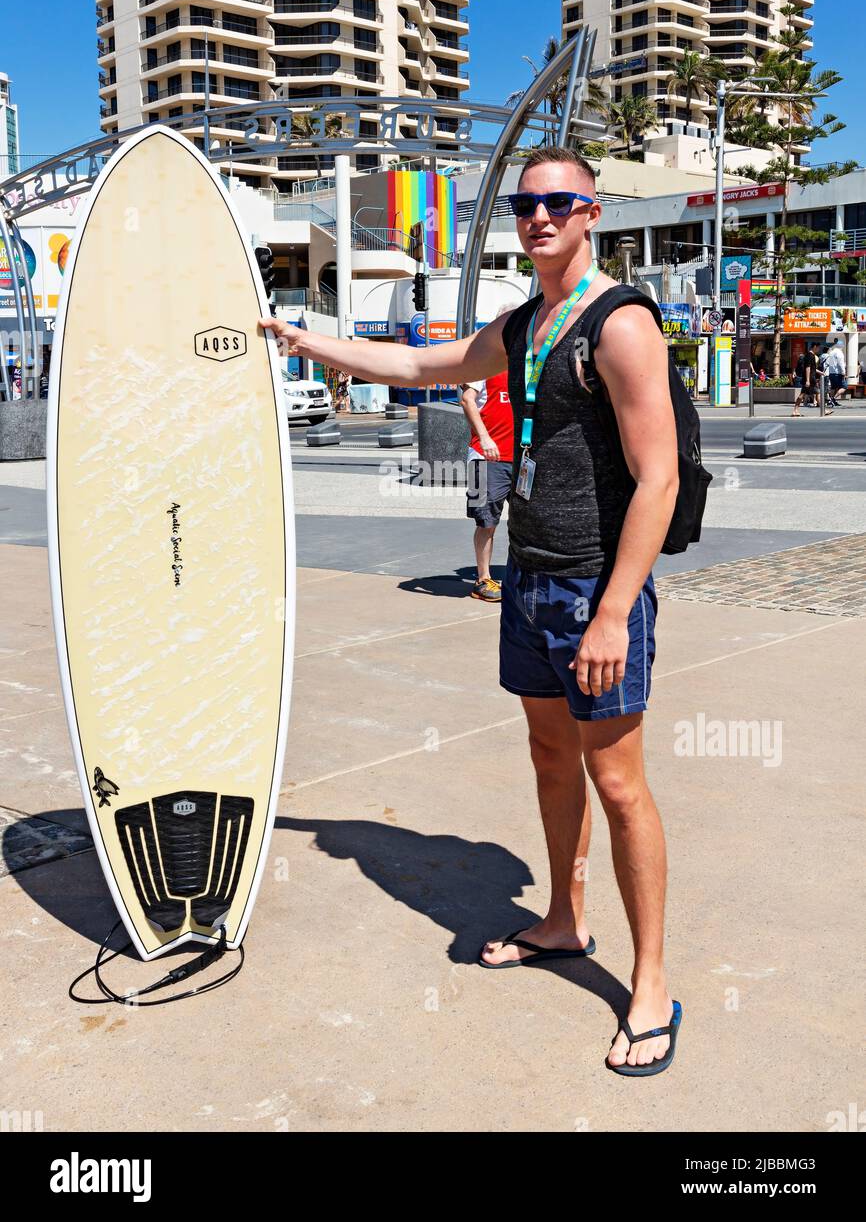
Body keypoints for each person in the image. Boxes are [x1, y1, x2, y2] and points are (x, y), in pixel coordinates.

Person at [259, 145, 681, 1075]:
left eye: (559, 204)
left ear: (590, 212)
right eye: (528, 206)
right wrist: (309, 342)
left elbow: (660, 479)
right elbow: (427, 364)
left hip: (590, 591)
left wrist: (614, 614)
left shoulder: (619, 325)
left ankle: (650, 983)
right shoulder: (527, 322)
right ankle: (566, 919)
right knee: (546, 757)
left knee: (619, 785)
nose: (540, 219)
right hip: (530, 580)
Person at [459, 300, 522, 603]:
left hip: (521, 458)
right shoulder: (484, 362)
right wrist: (484, 438)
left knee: (528, 521)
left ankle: (522, 575)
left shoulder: (526, 362)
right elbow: (467, 400)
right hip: (486, 458)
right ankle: (483, 579)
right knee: (487, 521)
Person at [793, 342, 828, 415]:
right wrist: (808, 380)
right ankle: (795, 410)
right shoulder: (810, 355)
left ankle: (795, 410)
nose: (819, 350)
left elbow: (813, 368)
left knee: (815, 393)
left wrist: (820, 373)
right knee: (803, 394)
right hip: (810, 379)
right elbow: (808, 368)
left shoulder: (810, 355)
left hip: (811, 378)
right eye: (818, 348)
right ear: (815, 346)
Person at [823, 340, 847, 405]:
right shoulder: (839, 353)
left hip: (831, 373)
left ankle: (831, 401)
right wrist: (843, 372)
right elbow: (841, 363)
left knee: (833, 387)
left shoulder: (831, 352)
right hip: (838, 373)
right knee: (844, 386)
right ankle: (833, 399)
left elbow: (827, 363)